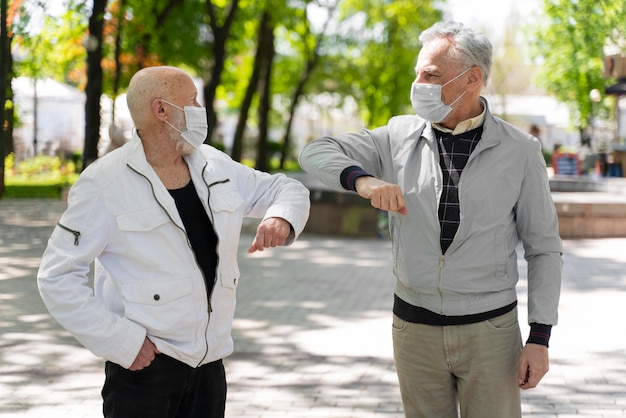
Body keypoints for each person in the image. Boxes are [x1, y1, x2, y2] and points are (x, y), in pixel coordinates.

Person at [299, 21, 562, 418]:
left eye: (431, 75)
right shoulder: (396, 136)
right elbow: (316, 151)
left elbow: (543, 248)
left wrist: (539, 337)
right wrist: (365, 182)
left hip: (490, 333)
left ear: (471, 79)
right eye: (418, 72)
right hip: (414, 330)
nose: (418, 83)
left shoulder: (521, 150)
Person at [37, 65, 310, 418]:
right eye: (193, 101)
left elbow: (284, 187)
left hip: (209, 364)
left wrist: (281, 216)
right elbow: (56, 277)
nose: (201, 109)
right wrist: (120, 342)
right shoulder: (104, 183)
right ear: (161, 110)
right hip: (144, 368)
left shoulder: (215, 165)